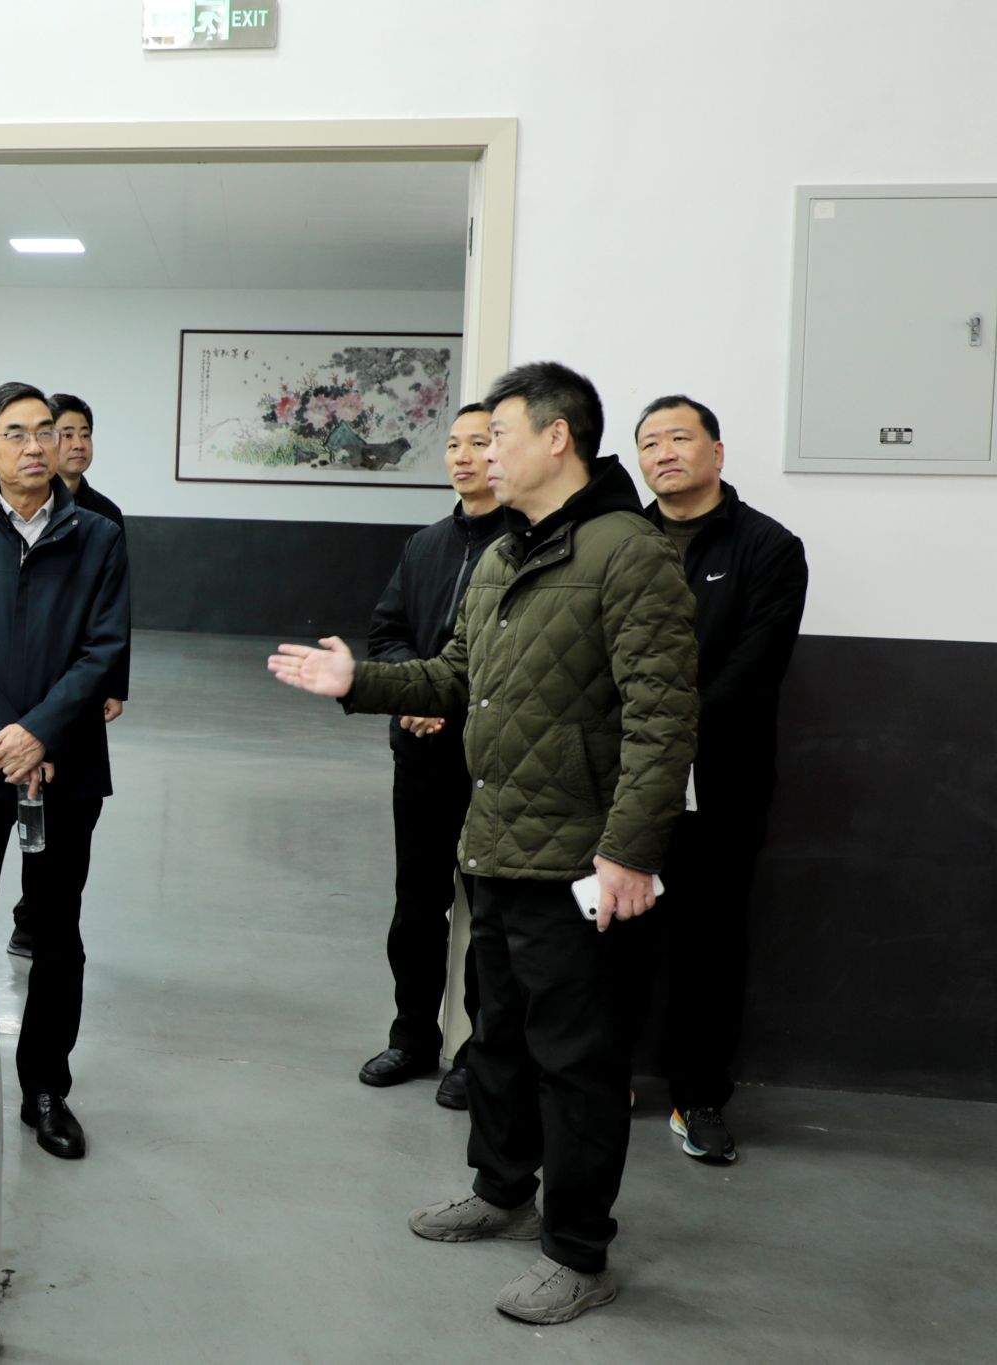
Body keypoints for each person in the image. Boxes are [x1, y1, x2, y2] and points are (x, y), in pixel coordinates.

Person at [268, 362, 697, 1324]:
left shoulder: (630, 553)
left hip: (579, 858)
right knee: (495, 1035)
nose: (481, 453)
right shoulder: (504, 554)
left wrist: (629, 852)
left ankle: (578, 1252)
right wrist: (357, 682)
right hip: (495, 840)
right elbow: (455, 676)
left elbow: (664, 721)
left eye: (497, 434)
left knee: (577, 1061)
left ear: (557, 437)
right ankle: (502, 1190)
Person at [0, 381, 130, 1160]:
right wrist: (7, 738)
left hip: (65, 767)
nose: (35, 445)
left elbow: (103, 649)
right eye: (15, 432)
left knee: (57, 929)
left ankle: (45, 1089)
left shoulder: (99, 538)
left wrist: (39, 734)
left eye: (46, 430)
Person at [634, 394, 808, 1165]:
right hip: (618, 776)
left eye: (680, 437)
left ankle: (697, 1096)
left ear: (717, 452)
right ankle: (601, 1078)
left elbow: (755, 667)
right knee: (606, 931)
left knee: (709, 942)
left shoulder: (768, 546)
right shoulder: (619, 537)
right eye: (649, 442)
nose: (664, 452)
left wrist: (666, 732)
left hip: (719, 779)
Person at [357, 402, 511, 1108]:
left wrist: (445, 698)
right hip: (420, 753)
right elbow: (386, 632)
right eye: (453, 444)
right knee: (416, 906)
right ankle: (412, 1035)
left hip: (491, 759)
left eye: (479, 443)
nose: (462, 457)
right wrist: (413, 692)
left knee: (491, 914)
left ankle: (479, 1054)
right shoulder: (424, 545)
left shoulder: (525, 543)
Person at [5, 391, 128, 960]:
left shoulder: (104, 518)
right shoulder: (8, 516)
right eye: (65, 433)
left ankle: (44, 921)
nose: (75, 444)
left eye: (83, 434)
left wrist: (113, 685)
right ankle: (27, 918)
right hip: (19, 703)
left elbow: (115, 617)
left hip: (77, 698)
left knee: (65, 830)